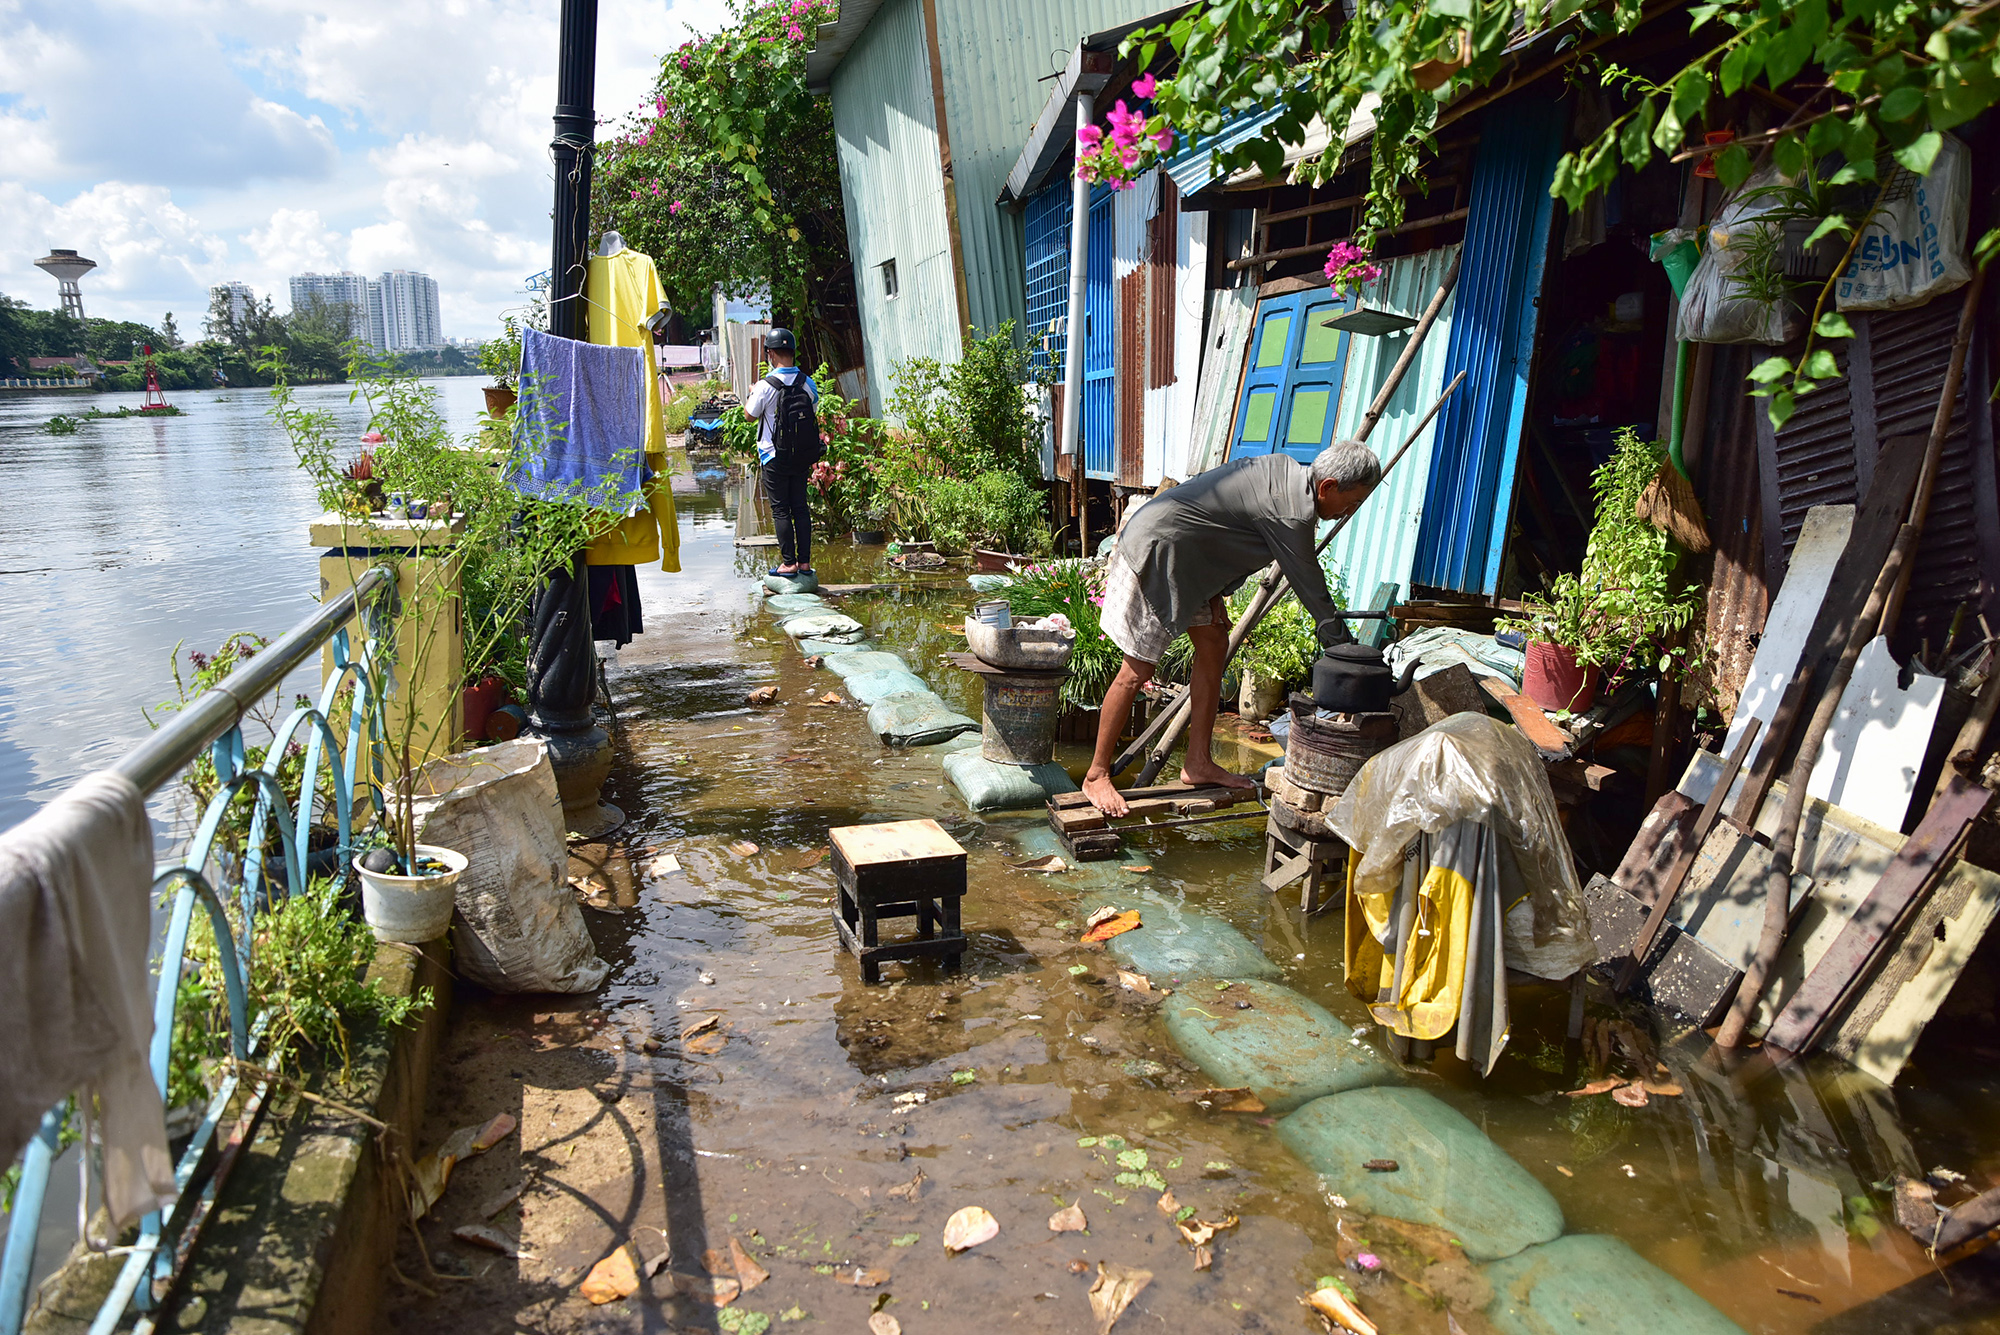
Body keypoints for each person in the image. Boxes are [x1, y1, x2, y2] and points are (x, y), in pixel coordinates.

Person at [1081, 440, 1382, 816]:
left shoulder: (1286, 471)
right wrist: (1345, 652)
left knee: (1213, 643)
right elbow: (1310, 586)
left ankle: (1198, 763)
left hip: (1189, 562)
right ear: (1327, 487)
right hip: (1158, 552)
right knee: (1137, 669)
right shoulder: (1292, 513)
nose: (1350, 512)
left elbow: (1222, 520)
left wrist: (1217, 592)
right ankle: (1096, 775)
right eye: (1352, 503)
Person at [741, 328, 821, 575]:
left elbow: (749, 416)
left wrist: (752, 392)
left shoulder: (765, 386)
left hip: (773, 456)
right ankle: (805, 563)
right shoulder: (807, 382)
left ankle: (788, 563)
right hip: (801, 455)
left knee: (780, 509)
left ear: (771, 354)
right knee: (800, 507)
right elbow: (813, 411)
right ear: (793, 353)